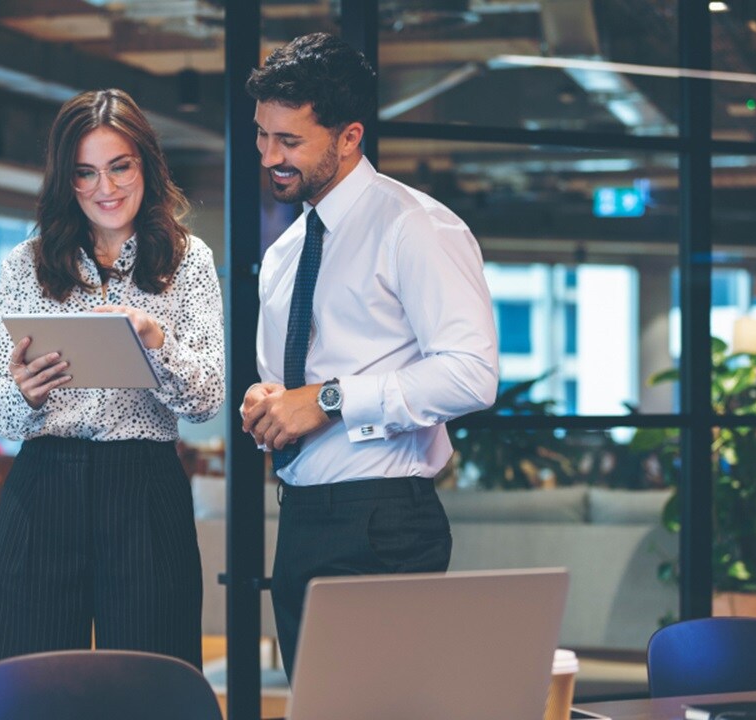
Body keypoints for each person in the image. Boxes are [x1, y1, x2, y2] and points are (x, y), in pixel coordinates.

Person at [239, 33, 500, 678]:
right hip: (300, 518)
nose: (270, 156)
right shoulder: (285, 252)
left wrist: (328, 400)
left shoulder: (416, 227)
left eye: (290, 141)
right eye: (262, 135)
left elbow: (472, 374)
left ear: (349, 136)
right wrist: (268, 401)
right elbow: (290, 387)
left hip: (384, 522)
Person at [0, 88, 224, 668]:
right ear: (66, 179)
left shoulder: (188, 261)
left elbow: (207, 398)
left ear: (146, 167)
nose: (105, 189)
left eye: (120, 167)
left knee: (150, 686)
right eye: (85, 173)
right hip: (43, 486)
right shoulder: (26, 263)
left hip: (143, 485)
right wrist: (23, 392)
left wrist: (156, 343)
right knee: (29, 688)